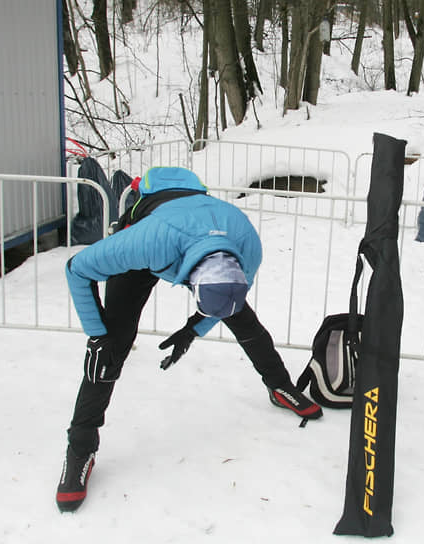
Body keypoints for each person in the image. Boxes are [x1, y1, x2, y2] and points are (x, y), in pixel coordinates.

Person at [56, 166, 322, 513]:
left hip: (201, 232)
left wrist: (194, 328)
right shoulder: (144, 241)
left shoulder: (247, 247)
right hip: (156, 229)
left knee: (247, 324)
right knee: (112, 349)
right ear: (191, 281)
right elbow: (76, 269)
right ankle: (81, 447)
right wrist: (97, 335)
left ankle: (279, 386)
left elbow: (227, 304)